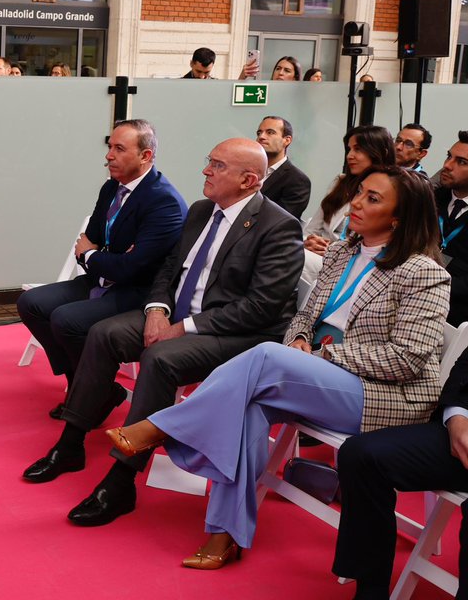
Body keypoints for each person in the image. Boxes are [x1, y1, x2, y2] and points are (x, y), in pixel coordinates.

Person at [105, 166, 450, 570]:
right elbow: (305, 316)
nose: (355, 202)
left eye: (373, 198)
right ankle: (225, 534)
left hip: (381, 394)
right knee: (249, 407)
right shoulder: (341, 251)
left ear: (399, 216)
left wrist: (321, 356)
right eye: (359, 192)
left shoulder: (424, 273)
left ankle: (161, 426)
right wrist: (301, 340)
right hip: (314, 373)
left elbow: (406, 358)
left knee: (267, 356)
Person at [23, 139, 303, 527]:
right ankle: (71, 444)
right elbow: (170, 270)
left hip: (236, 332)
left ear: (248, 180)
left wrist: (184, 327)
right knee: (104, 334)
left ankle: (121, 481)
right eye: (209, 161)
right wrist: (157, 310)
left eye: (217, 166)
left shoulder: (279, 227)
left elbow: (261, 308)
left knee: (160, 358)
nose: (206, 170)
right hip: (178, 314)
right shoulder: (204, 210)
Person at [17, 120, 187, 420]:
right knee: (31, 303)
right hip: (104, 278)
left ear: (146, 156)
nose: (109, 155)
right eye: (110, 147)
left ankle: (88, 394)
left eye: (119, 149)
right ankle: (89, 388)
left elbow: (128, 266)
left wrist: (94, 255)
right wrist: (98, 256)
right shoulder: (112, 187)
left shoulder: (164, 202)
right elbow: (90, 239)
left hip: (138, 292)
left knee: (65, 319)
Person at [332, 346, 468, 599]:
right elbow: (465, 368)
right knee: (361, 456)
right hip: (461, 436)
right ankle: (371, 590)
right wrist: (457, 418)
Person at [301, 125, 395, 283]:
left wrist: (331, 249)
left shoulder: (394, 192)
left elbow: (376, 246)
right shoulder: (341, 182)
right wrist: (309, 241)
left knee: (288, 258)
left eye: (358, 149)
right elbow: (312, 229)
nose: (350, 155)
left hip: (355, 265)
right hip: (317, 255)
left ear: (380, 152)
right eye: (349, 149)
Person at [438, 131, 468, 326]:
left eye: (462, 162)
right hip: (407, 298)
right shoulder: (429, 200)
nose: (447, 166)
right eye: (449, 156)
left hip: (457, 315)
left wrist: (434, 286)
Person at [256, 115, 311, 219]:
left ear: (287, 140)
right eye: (259, 133)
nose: (261, 137)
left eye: (270, 132)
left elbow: (280, 221)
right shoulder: (247, 171)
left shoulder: (298, 181)